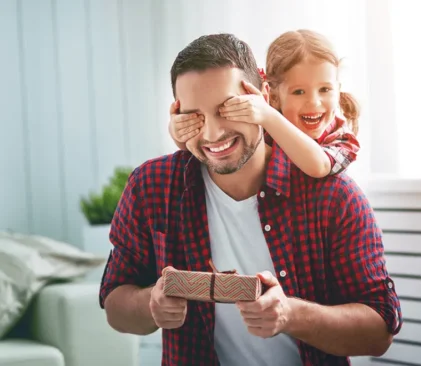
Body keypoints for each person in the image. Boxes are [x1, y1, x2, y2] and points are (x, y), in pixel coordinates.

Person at [99, 33, 402, 366]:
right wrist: (149, 305)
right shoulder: (152, 187)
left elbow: (379, 331)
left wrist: (291, 315)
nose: (213, 134)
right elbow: (115, 306)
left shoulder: (334, 196)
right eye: (196, 117)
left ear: (263, 98)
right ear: (177, 115)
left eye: (229, 109)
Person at [168, 29, 360, 178]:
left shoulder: (341, 138)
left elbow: (319, 167)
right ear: (274, 96)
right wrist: (179, 132)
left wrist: (268, 115)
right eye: (298, 92)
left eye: (325, 89)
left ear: (338, 88)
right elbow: (207, 143)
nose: (314, 102)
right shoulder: (258, 123)